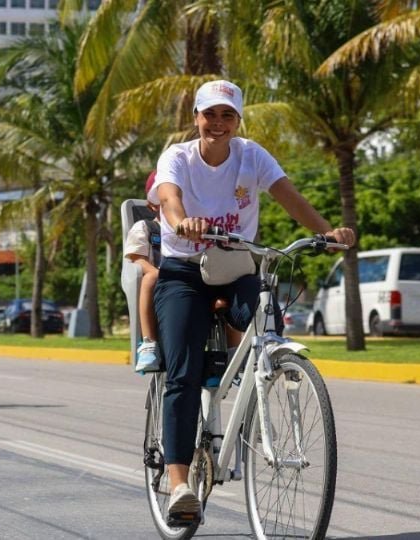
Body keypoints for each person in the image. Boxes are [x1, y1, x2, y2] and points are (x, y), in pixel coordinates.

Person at [151, 80, 356, 518]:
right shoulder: (178, 157)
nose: (218, 124)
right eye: (210, 115)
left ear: (237, 120)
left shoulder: (251, 155)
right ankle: (179, 484)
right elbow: (169, 198)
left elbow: (289, 197)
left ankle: (256, 399)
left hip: (238, 268)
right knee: (183, 373)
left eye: (228, 116)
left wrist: (327, 232)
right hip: (184, 272)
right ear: (196, 118)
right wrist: (182, 221)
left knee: (270, 333)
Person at [124, 171, 162, 372]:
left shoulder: (193, 226)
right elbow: (136, 257)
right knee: (151, 277)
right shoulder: (145, 227)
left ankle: (233, 352)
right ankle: (148, 343)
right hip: (159, 277)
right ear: (152, 205)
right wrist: (154, 271)